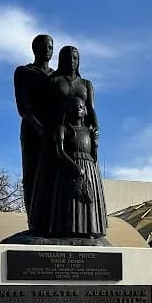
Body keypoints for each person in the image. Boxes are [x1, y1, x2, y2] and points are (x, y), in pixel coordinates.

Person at [28, 45, 107, 240]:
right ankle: (49, 224)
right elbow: (45, 109)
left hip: (82, 137)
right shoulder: (53, 81)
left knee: (85, 181)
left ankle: (86, 225)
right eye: (67, 58)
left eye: (75, 58)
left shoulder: (86, 84)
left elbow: (91, 109)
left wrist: (95, 128)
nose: (71, 61)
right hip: (59, 133)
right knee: (52, 181)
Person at [51, 96, 107, 237]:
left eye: (81, 107)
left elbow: (94, 158)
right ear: (68, 110)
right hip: (69, 168)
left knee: (88, 200)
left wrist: (94, 143)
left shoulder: (88, 131)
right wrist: (74, 166)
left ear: (85, 111)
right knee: (70, 201)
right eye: (75, 107)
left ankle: (89, 230)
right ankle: (68, 230)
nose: (78, 109)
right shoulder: (63, 129)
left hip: (89, 168)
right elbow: (60, 151)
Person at [13, 34, 54, 222]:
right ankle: (34, 221)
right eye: (44, 46)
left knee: (54, 177)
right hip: (32, 131)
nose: (48, 50)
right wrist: (39, 128)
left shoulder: (57, 76)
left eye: (51, 47)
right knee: (32, 176)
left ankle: (54, 222)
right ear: (34, 49)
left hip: (55, 133)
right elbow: (24, 108)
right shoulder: (23, 72)